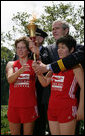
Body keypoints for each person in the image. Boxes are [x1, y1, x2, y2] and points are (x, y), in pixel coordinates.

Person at [32, 35, 84, 135]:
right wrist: (38, 72)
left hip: (67, 108)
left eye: (63, 47)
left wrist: (81, 108)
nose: (59, 50)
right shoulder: (55, 66)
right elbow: (45, 82)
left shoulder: (76, 67)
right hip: (52, 108)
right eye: (58, 47)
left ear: (72, 49)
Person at [6, 37, 39, 135]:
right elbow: (10, 80)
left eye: (23, 47)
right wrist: (20, 71)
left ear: (28, 50)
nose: (20, 50)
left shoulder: (33, 64)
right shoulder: (11, 64)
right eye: (18, 48)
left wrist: (32, 44)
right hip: (13, 106)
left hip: (29, 106)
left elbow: (39, 57)